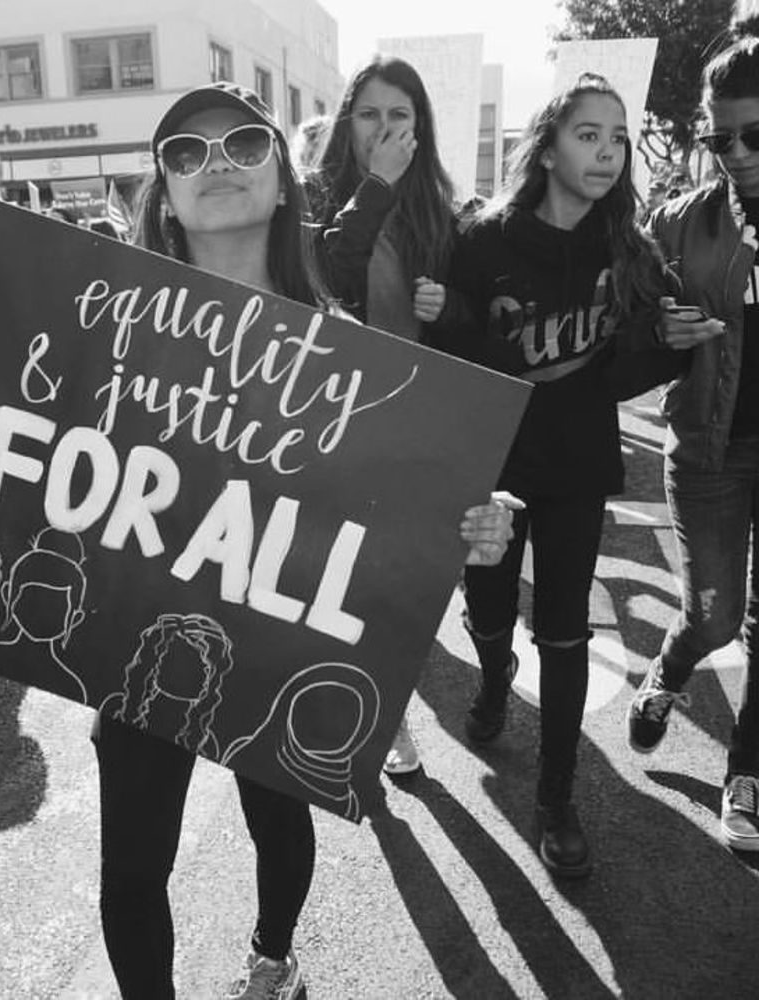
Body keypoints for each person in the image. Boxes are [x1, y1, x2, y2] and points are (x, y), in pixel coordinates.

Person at [0, 80, 517, 999]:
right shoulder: (103, 322)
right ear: (164, 191)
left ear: (284, 177)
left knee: (278, 818)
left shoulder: (341, 348)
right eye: (186, 152)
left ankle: (273, 954)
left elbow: (393, 512)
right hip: (134, 634)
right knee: (134, 866)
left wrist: (472, 528)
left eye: (242, 145)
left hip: (277, 637)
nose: (215, 164)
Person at [435, 73, 708, 878]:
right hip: (491, 467)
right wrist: (439, 311)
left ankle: (557, 798)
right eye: (590, 134)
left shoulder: (627, 246)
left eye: (617, 138)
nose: (608, 152)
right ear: (547, 145)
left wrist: (675, 340)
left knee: (565, 630)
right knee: (486, 609)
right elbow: (450, 349)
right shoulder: (483, 238)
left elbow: (625, 371)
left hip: (579, 469)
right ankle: (491, 681)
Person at [625, 18, 759, 853]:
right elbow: (620, 327)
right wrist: (657, 334)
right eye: (721, 139)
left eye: (754, 135)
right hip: (709, 450)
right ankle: (672, 670)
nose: (736, 152)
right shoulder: (678, 224)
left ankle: (746, 770)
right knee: (712, 616)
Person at [308, 54, 458, 775]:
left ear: (420, 126)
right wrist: (376, 188)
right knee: (352, 578)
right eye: (369, 113)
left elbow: (469, 319)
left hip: (418, 419)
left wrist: (447, 307)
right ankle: (385, 718)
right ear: (347, 123)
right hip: (339, 419)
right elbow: (331, 273)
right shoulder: (318, 196)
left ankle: (389, 691)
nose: (385, 128)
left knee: (400, 581)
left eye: (400, 114)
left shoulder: (437, 208)